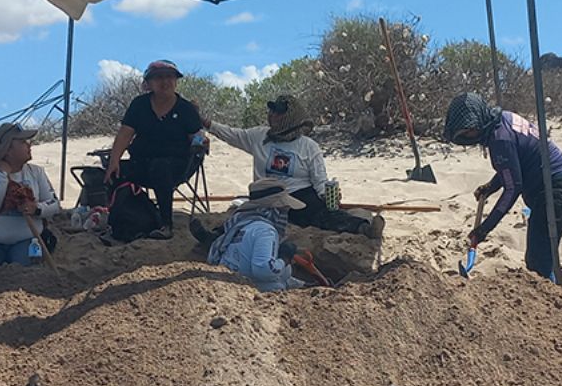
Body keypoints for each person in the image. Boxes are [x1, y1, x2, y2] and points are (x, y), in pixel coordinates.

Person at [202, 94, 384, 238]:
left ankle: (364, 229)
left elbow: (320, 181)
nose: (272, 115)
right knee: (244, 216)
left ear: (291, 118)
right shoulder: (258, 136)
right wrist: (207, 123)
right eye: (272, 111)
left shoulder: (309, 146)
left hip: (299, 196)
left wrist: (328, 196)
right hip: (267, 195)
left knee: (322, 216)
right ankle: (214, 236)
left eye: (278, 112)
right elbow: (231, 134)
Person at [443, 92, 562, 280]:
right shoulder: (503, 119)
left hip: (553, 191)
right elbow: (512, 167)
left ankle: (551, 300)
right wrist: (491, 186)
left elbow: (513, 188)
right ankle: (555, 281)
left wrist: (484, 229)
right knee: (543, 253)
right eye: (464, 133)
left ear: (479, 119)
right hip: (557, 181)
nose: (469, 136)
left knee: (538, 262)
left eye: (470, 130)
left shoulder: (500, 139)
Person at [104, 60, 204, 240]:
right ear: (149, 83)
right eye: (158, 78)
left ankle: (166, 224)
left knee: (161, 167)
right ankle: (123, 221)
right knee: (114, 172)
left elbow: (197, 137)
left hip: (177, 164)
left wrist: (201, 142)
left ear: (176, 81)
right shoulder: (139, 105)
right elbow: (125, 134)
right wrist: (114, 161)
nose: (164, 82)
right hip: (142, 161)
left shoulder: (186, 109)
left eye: (169, 77)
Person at [0, 122, 60, 265]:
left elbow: (55, 204)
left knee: (24, 265)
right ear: (7, 149)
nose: (29, 145)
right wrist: (2, 175)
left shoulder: (36, 172)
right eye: (23, 142)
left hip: (28, 239)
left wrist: (36, 208)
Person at [207, 179, 305, 292]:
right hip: (253, 291)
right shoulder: (265, 232)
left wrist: (301, 285)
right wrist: (284, 259)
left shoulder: (243, 222)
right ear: (274, 209)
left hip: (229, 284)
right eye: (283, 210)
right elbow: (264, 270)